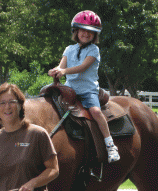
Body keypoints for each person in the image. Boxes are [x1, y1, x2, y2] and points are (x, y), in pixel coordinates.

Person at [48, 10, 120, 163]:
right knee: (51, 105)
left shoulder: (94, 50)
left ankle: (110, 145)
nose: (86, 34)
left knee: (95, 111)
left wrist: (64, 71)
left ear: (95, 35)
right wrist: (55, 71)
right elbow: (62, 65)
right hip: (69, 89)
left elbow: (83, 67)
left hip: (88, 91)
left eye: (90, 32)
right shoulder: (69, 49)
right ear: (76, 31)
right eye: (83, 30)